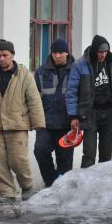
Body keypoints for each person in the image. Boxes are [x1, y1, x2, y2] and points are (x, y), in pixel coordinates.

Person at [0, 39, 45, 203]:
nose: (1, 59)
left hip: (18, 124)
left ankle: (27, 187)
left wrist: (38, 122)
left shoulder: (24, 74)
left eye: (5, 55)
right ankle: (7, 193)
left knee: (18, 160)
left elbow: (33, 99)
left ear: (12, 55)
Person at [66, 35, 112, 168]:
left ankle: (103, 186)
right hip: (89, 113)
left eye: (105, 52)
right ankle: (86, 186)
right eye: (100, 52)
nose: (103, 55)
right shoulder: (80, 64)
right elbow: (71, 91)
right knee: (89, 154)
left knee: (106, 156)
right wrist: (73, 116)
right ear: (94, 50)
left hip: (108, 112)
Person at [34, 39, 75, 187]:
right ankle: (51, 183)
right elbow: (34, 97)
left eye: (61, 52)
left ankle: (62, 189)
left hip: (67, 123)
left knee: (65, 160)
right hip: (46, 123)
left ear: (67, 52)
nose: (57, 56)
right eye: (54, 53)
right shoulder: (40, 72)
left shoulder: (75, 70)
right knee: (40, 151)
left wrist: (77, 117)